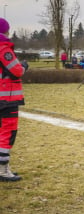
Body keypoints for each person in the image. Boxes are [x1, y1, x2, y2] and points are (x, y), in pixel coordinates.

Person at [0, 17, 28, 182]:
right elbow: (16, 70)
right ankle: (3, 169)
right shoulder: (3, 48)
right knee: (7, 132)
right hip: (7, 98)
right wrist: (24, 66)